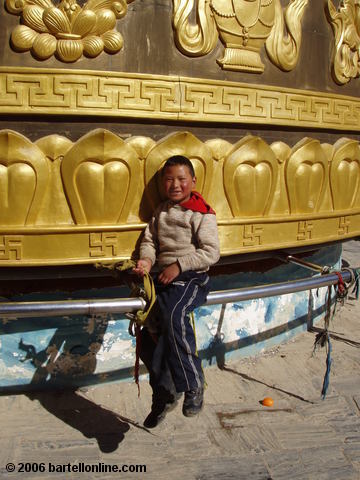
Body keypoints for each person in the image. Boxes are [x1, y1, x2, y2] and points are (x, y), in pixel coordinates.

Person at [133, 155, 220, 428]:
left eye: (182, 179)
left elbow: (210, 252)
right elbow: (149, 241)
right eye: (169, 179)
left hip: (191, 278)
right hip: (163, 278)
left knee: (174, 317)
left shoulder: (202, 213)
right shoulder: (160, 212)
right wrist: (147, 260)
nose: (175, 185)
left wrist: (179, 266)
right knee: (151, 334)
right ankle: (164, 395)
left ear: (193, 181)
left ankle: (193, 385)